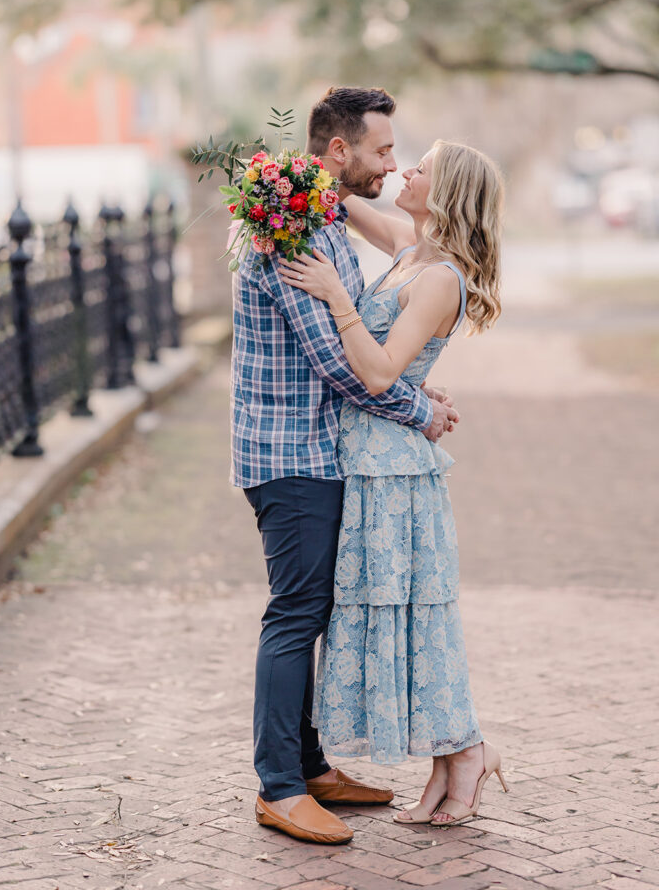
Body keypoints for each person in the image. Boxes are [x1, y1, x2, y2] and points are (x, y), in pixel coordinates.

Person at [230, 87, 459, 845]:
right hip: (289, 453)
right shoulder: (293, 232)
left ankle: (311, 766)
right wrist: (420, 414)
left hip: (318, 450)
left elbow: (361, 344)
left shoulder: (319, 217)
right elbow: (339, 365)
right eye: (383, 150)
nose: (392, 165)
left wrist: (410, 388)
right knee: (295, 614)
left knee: (313, 610)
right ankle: (279, 786)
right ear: (338, 153)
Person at [278, 138, 509, 827]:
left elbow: (378, 374)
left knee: (415, 617)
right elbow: (341, 199)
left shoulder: (438, 278)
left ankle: (465, 752)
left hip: (395, 474)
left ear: (445, 195)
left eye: (419, 169)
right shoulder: (410, 249)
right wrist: (290, 174)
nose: (401, 172)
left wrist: (333, 296)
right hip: (369, 458)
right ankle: (451, 759)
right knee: (401, 617)